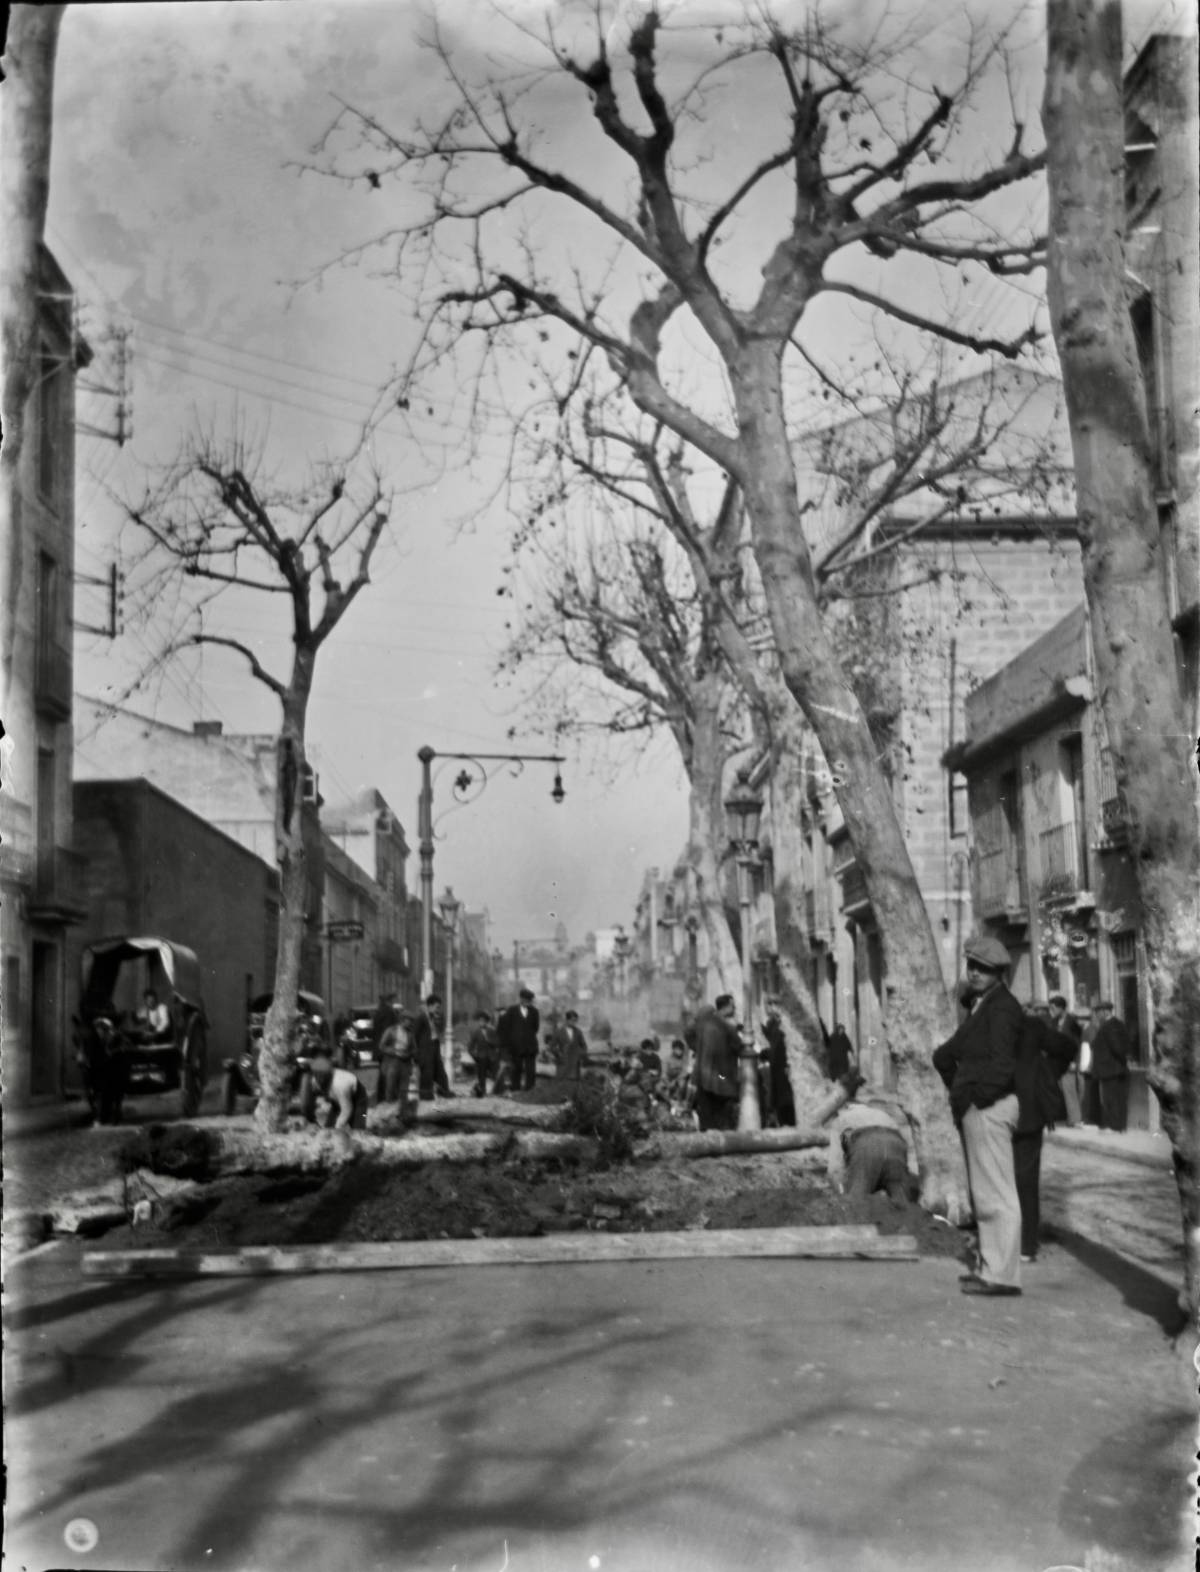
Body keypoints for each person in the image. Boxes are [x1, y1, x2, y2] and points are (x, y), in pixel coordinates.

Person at [932, 934, 1024, 1298]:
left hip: (991, 1107)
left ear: (999, 973)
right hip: (979, 1106)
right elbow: (947, 1053)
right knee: (986, 1193)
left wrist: (975, 1098)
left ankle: (1002, 1275)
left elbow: (1003, 1065)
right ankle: (991, 1268)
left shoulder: (1003, 1008)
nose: (975, 973)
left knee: (997, 1193)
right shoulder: (982, 1006)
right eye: (972, 966)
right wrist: (959, 1090)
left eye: (984, 969)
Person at [1012, 1004, 1078, 1262]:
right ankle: (1008, 1243)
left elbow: (1067, 1048)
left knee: (1024, 1181)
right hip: (992, 1114)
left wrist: (1045, 1074)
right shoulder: (979, 1028)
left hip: (1025, 1115)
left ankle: (1026, 1245)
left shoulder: (1031, 1026)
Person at [827, 1085, 913, 1202]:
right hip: (896, 1143)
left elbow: (835, 1168)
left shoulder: (841, 1119)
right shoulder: (883, 1115)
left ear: (846, 1107)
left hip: (866, 1143)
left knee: (856, 1200)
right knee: (901, 1200)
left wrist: (841, 1194)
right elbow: (902, 1145)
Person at [692, 993, 742, 1132]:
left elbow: (688, 1032)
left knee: (706, 1111)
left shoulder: (703, 1023)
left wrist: (697, 1049)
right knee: (724, 1108)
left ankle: (707, 1135)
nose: (735, 1009)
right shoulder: (728, 1026)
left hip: (703, 1074)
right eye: (733, 1006)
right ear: (726, 1007)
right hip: (721, 1076)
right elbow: (739, 1046)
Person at [1090, 1001, 1131, 1132]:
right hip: (1116, 1068)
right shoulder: (1118, 1024)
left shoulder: (1109, 1026)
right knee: (1117, 1098)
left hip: (1110, 1068)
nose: (1097, 1015)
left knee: (1111, 1099)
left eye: (1099, 1011)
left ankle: (1114, 1126)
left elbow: (1117, 1047)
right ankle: (1119, 1126)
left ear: (1106, 1011)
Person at [301, 1052, 368, 1130]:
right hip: (336, 1099)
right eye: (316, 1075)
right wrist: (310, 1118)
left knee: (358, 1123)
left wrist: (338, 1127)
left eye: (321, 1076)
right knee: (328, 1128)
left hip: (358, 1096)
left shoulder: (340, 1084)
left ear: (328, 1074)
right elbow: (307, 1101)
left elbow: (346, 1110)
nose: (318, 1078)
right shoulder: (315, 1080)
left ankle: (360, 1131)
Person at [1046, 994, 1083, 1125]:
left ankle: (1075, 1119)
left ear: (1062, 1008)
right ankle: (1061, 1117)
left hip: (1068, 1062)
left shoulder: (1072, 1022)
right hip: (1055, 1062)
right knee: (1057, 1090)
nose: (1052, 1011)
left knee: (1069, 1090)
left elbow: (1077, 1043)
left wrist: (1074, 1061)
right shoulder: (1053, 1022)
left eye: (1054, 1008)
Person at [496, 987, 541, 1094]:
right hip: (515, 1045)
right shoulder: (512, 1010)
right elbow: (506, 1027)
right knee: (516, 1068)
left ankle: (530, 1089)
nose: (528, 1002)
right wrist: (510, 1041)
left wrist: (527, 1036)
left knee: (531, 1069)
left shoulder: (534, 1011)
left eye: (530, 1000)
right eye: (526, 1000)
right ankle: (515, 1087)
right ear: (521, 999)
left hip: (530, 1045)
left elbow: (536, 1027)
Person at [761, 998, 797, 1127]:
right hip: (777, 1067)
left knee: (786, 1100)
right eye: (768, 1004)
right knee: (780, 1100)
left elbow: (786, 1045)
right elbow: (774, 1044)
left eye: (771, 1004)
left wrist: (789, 1064)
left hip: (785, 1067)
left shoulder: (785, 1024)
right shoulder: (774, 1024)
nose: (768, 1008)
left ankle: (789, 1124)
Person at [413, 993, 453, 1100]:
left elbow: (440, 1029)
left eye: (439, 1007)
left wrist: (438, 1018)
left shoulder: (434, 1018)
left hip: (435, 1048)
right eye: (437, 1007)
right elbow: (414, 1037)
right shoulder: (421, 1018)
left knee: (440, 1072)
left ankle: (445, 1091)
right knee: (427, 1075)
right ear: (429, 1006)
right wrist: (416, 1055)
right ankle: (426, 1096)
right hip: (425, 1052)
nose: (438, 1010)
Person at [375, 1006, 415, 1105]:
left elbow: (414, 1049)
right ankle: (389, 1110)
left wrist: (408, 1054)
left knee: (403, 1089)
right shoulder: (391, 1030)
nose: (410, 1023)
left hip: (405, 1063)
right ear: (403, 1020)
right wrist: (393, 1051)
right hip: (392, 1062)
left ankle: (402, 1111)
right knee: (390, 1087)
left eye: (411, 1020)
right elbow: (382, 1045)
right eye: (408, 1020)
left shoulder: (410, 1034)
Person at [466, 1009, 501, 1097]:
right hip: (481, 1057)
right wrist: (475, 1057)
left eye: (484, 1021)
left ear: (487, 1022)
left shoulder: (491, 1031)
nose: (482, 1023)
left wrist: (489, 1041)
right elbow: (470, 1047)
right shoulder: (476, 1032)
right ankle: (483, 1091)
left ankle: (496, 1090)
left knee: (495, 1074)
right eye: (480, 1021)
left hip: (492, 1057)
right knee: (481, 1075)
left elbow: (497, 1043)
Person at [557, 1009, 589, 1080]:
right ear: (567, 1020)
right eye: (572, 1020)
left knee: (574, 1084)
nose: (574, 1023)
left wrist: (581, 1054)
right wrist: (559, 1054)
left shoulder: (578, 1032)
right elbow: (552, 1047)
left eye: (575, 1021)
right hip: (563, 1063)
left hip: (575, 1064)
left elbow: (584, 1045)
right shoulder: (559, 1032)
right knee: (563, 1085)